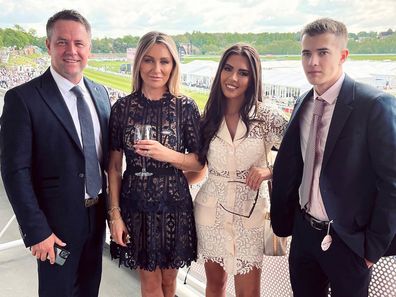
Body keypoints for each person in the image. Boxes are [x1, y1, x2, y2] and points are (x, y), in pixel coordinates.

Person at [270, 18, 396, 297]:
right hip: (304, 235)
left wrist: (371, 249)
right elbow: (301, 161)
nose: (313, 61)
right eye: (306, 53)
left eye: (323, 52)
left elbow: (392, 183)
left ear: (343, 55)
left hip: (349, 241)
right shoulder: (304, 102)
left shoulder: (374, 105)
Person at [0, 9, 111, 297]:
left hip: (96, 218)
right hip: (54, 227)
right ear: (48, 45)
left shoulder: (100, 94)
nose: (71, 51)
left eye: (79, 43)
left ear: (90, 49)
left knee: (89, 290)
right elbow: (15, 171)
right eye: (62, 42)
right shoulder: (22, 99)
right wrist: (36, 231)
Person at [107, 31, 203, 297]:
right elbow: (114, 168)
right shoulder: (122, 108)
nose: (156, 69)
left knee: (169, 283)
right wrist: (114, 215)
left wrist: (167, 154)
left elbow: (198, 162)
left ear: (173, 65)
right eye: (149, 60)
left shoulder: (186, 107)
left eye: (165, 61)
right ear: (139, 62)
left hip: (175, 206)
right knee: (149, 284)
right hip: (135, 205)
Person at [195, 44, 288, 297]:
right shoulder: (208, 116)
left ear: (253, 77)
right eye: (228, 69)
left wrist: (269, 170)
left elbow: (301, 154)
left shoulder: (267, 116)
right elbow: (195, 164)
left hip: (251, 214)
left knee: (249, 293)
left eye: (243, 72)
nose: (233, 78)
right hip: (211, 211)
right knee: (215, 287)